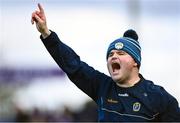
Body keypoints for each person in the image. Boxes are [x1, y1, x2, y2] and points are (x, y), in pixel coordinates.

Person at [31, 3, 180, 122]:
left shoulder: (159, 98)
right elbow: (73, 65)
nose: (113, 57)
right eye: (110, 54)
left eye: (121, 53)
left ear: (135, 62)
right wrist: (46, 33)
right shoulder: (102, 86)